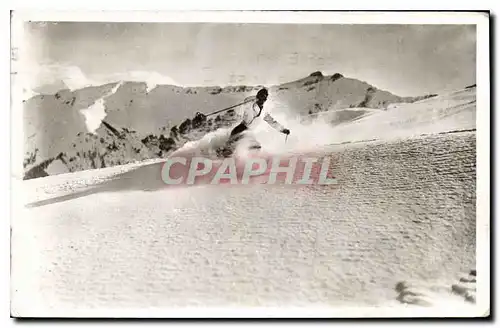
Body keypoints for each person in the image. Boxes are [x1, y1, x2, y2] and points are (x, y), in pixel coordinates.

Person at [221, 88, 290, 156]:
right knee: (233, 141)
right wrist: (254, 98)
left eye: (265, 97)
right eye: (262, 96)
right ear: (258, 96)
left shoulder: (263, 112)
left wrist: (282, 129)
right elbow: (246, 101)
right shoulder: (250, 104)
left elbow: (272, 121)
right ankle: (224, 153)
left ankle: (249, 159)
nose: (263, 99)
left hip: (249, 131)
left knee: (255, 145)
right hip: (242, 127)